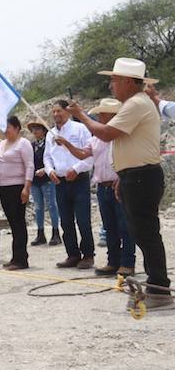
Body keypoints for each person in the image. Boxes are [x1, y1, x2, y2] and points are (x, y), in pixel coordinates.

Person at [68, 58, 171, 306]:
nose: (111, 85)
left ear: (127, 81)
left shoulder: (136, 104)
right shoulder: (136, 103)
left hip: (141, 176)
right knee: (141, 232)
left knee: (145, 233)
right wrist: (121, 177)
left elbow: (105, 133)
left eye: (114, 80)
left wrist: (80, 115)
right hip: (135, 176)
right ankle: (156, 285)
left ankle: (159, 289)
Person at [55, 98, 135, 276]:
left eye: (102, 114)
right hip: (102, 186)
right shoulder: (97, 138)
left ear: (112, 116)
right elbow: (83, 154)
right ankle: (113, 261)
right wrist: (67, 144)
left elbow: (131, 158)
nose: (99, 117)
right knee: (110, 226)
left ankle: (128, 262)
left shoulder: (122, 135)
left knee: (124, 226)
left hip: (118, 185)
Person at [44, 100, 95, 269]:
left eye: (59, 111)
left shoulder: (80, 128)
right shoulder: (50, 134)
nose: (56, 114)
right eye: (54, 112)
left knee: (83, 220)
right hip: (60, 182)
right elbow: (47, 157)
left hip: (79, 180)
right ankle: (72, 254)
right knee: (65, 221)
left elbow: (89, 155)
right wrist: (50, 170)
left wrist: (76, 168)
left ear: (67, 111)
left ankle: (88, 255)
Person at [0, 116, 34, 270]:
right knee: (12, 223)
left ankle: (21, 259)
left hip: (17, 186)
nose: (5, 130)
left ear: (17, 128)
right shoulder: (2, 144)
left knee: (18, 223)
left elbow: (30, 166)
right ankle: (15, 257)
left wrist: (26, 187)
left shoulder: (23, 143)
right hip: (3, 187)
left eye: (8, 127)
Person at [27, 119, 61, 246]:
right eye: (33, 129)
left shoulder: (50, 144)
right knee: (38, 207)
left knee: (52, 205)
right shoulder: (31, 146)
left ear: (43, 131)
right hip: (35, 180)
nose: (35, 132)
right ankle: (40, 233)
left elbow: (54, 160)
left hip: (47, 179)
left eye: (37, 129)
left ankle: (56, 232)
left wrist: (45, 170)